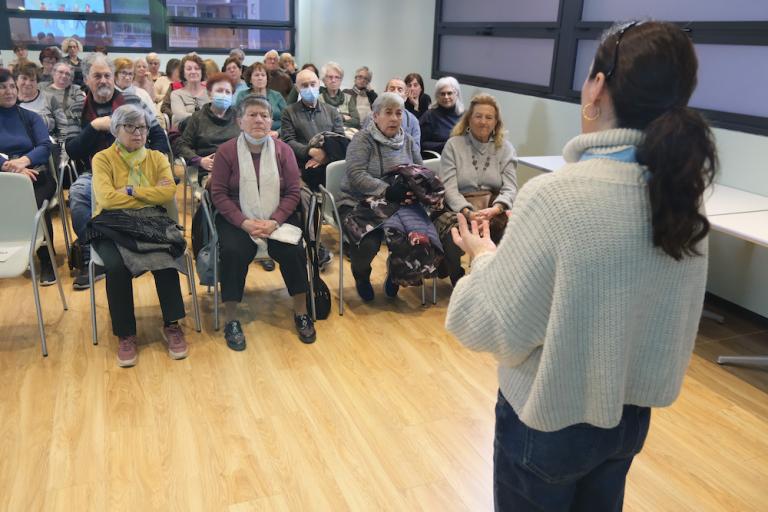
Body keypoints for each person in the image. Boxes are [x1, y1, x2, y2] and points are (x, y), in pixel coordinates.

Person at [445, 21, 717, 511]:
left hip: (547, 423)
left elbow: (489, 326)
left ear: (596, 86)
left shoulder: (557, 196)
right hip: (629, 419)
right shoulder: (681, 198)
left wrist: (483, 259)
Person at [210, 95, 316, 348]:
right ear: (240, 121)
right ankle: (231, 318)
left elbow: (292, 192)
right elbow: (218, 194)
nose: (259, 120)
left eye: (265, 115)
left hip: (277, 215)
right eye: (252, 115)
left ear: (271, 121)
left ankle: (301, 312)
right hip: (237, 216)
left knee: (292, 250)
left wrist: (275, 221)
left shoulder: (283, 151)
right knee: (234, 251)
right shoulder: (226, 152)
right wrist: (243, 222)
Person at [89, 104, 189, 367]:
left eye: (142, 127)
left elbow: (167, 194)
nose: (137, 132)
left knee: (164, 258)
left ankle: (172, 323)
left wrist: (131, 191)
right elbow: (107, 199)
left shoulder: (157, 158)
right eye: (129, 127)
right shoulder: (102, 159)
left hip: (152, 222)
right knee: (116, 266)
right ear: (115, 130)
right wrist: (148, 192)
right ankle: (126, 334)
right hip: (111, 223)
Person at [64, 53, 170, 290]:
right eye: (97, 76)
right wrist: (94, 127)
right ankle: (94, 251)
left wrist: (160, 158)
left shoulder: (132, 100)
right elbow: (72, 150)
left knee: (158, 191)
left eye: (107, 75)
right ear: (87, 79)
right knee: (80, 193)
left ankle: (139, 243)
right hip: (96, 171)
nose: (103, 80)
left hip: (137, 169)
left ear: (114, 77)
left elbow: (157, 134)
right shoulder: (75, 108)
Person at [337, 92, 422, 301]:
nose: (394, 118)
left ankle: (396, 275)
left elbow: (419, 170)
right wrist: (386, 190)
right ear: (375, 116)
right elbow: (356, 175)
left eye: (399, 113)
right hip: (356, 202)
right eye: (388, 113)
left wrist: (413, 191)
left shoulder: (408, 141)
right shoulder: (362, 139)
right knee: (367, 243)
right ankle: (361, 276)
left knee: (413, 237)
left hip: (397, 204)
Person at [436, 93, 517, 286]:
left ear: (496, 122)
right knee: (453, 236)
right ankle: (456, 275)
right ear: (468, 119)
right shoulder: (453, 145)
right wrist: (468, 212)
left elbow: (511, 188)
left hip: (493, 208)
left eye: (489, 117)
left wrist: (495, 209)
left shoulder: (506, 149)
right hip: (458, 208)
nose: (483, 122)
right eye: (478, 116)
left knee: (514, 231)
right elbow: (449, 187)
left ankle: (490, 279)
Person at [0, 67, 56, 285]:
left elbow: (45, 147)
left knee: (34, 202)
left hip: (35, 174)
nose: (9, 91)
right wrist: (9, 166)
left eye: (12, 86)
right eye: (2, 87)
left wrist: (23, 162)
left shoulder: (31, 117)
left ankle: (46, 261)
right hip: (4, 177)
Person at [280, 68, 344, 191]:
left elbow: (340, 138)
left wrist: (325, 156)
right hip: (304, 162)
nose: (309, 88)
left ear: (319, 84)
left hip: (330, 160)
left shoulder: (332, 111)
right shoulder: (289, 112)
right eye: (304, 85)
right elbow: (288, 141)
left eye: (312, 84)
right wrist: (311, 151)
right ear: (297, 88)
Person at [176, 73, 240, 187]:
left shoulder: (239, 116)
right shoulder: (197, 118)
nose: (224, 95)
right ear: (210, 93)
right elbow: (182, 146)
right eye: (219, 91)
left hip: (238, 169)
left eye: (227, 92)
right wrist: (199, 160)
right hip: (210, 172)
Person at [361, 77, 421, 153]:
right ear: (385, 93)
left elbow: (415, 151)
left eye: (400, 90)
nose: (395, 92)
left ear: (405, 96)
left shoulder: (413, 121)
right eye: (392, 89)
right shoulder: (372, 116)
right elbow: (363, 145)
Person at [234, 62, 285, 135]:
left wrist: (277, 132)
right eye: (256, 75)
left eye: (263, 75)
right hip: (249, 134)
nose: (260, 78)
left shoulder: (277, 96)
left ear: (267, 79)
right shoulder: (242, 95)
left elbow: (287, 120)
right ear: (250, 79)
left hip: (276, 135)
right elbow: (238, 119)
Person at [420, 76, 463, 154]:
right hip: (439, 159)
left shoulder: (465, 116)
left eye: (449, 93)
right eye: (442, 94)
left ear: (456, 94)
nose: (446, 97)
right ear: (437, 96)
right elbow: (421, 143)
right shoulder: (429, 116)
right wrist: (446, 145)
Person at [171, 54, 209, 129]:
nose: (193, 71)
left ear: (202, 72)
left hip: (209, 132)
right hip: (184, 133)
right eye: (189, 69)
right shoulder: (176, 94)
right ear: (183, 73)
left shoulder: (211, 92)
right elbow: (180, 116)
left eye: (197, 68)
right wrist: (206, 118)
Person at [318, 61, 359, 130]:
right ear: (324, 80)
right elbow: (321, 122)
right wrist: (342, 117)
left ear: (341, 80)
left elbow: (356, 122)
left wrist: (332, 122)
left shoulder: (348, 98)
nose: (333, 80)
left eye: (337, 77)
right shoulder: (318, 99)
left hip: (347, 135)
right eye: (330, 77)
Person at [15, 63, 53, 130]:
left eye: (32, 80)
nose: (27, 83)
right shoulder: (7, 101)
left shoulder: (49, 98)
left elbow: (63, 125)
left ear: (37, 82)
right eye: (24, 78)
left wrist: (60, 140)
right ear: (16, 80)